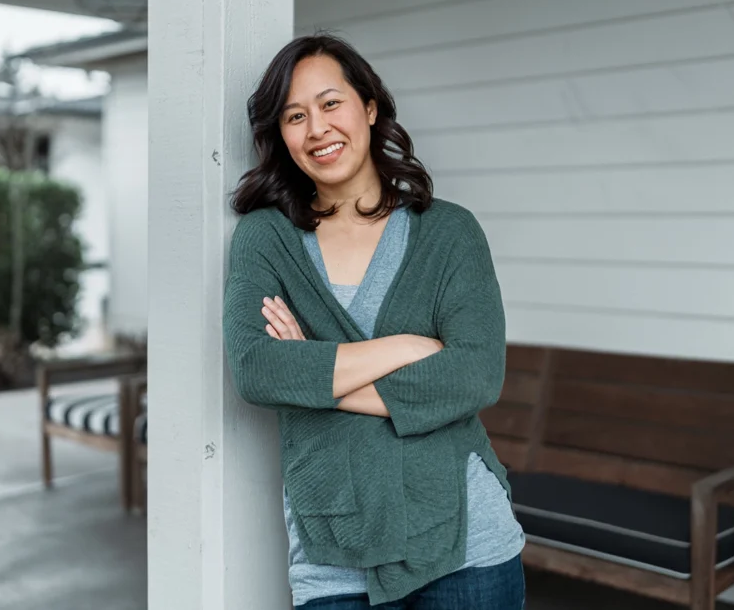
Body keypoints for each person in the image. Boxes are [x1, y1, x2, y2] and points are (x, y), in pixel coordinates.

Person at [222, 33, 525, 609]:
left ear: (369, 107)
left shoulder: (450, 232)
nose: (317, 129)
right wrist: (410, 346)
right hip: (333, 547)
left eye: (331, 103)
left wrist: (312, 377)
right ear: (280, 135)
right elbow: (258, 368)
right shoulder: (266, 238)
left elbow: (476, 375)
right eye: (294, 115)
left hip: (466, 541)